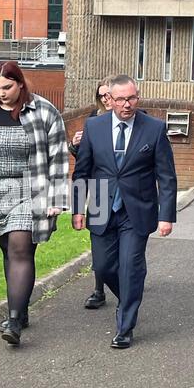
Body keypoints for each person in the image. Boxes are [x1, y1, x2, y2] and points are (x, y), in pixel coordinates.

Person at [0, 61, 69, 346]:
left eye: (7, 87)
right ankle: (20, 310)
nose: (1, 93)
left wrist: (57, 199)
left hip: (29, 189)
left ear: (20, 83)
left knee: (21, 249)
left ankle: (13, 322)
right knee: (9, 252)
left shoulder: (44, 112)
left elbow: (58, 156)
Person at [72, 74, 177, 348]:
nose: (127, 104)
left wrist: (166, 215)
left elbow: (166, 176)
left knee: (130, 267)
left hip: (137, 210)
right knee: (104, 267)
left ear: (137, 97)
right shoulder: (93, 127)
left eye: (132, 98)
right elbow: (81, 171)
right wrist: (77, 209)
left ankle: (125, 326)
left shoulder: (154, 128)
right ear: (109, 100)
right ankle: (129, 295)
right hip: (100, 206)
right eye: (120, 99)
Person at [69, 77, 114, 310]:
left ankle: (131, 279)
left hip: (123, 192)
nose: (106, 98)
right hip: (98, 190)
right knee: (98, 243)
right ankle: (99, 290)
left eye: (109, 94)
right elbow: (84, 162)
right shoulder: (93, 121)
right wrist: (75, 146)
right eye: (102, 95)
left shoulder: (135, 119)